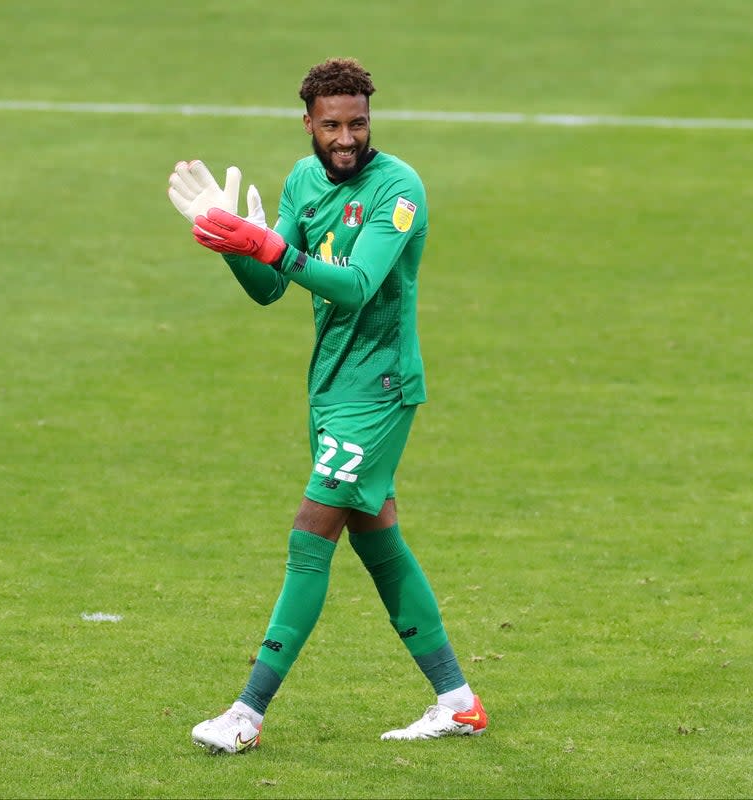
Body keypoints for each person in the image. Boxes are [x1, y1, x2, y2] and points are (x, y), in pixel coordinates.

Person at [166, 57, 487, 754]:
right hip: (330, 390)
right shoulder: (303, 182)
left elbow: (357, 284)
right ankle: (457, 701)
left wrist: (266, 244)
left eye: (359, 124)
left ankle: (247, 713)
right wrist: (229, 241)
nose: (348, 138)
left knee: (310, 535)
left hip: (379, 392)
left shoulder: (397, 189)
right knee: (378, 539)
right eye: (334, 126)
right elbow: (270, 287)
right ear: (308, 123)